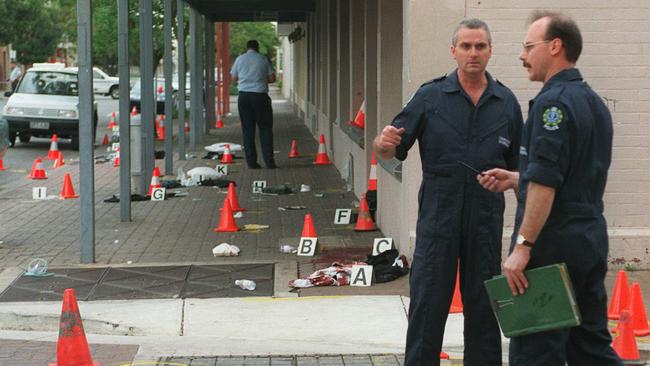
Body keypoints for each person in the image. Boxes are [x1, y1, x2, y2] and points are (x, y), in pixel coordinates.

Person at [373, 19, 523, 366]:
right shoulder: (430, 96)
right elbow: (390, 151)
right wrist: (381, 144)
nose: (473, 53)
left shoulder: (506, 103)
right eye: (466, 46)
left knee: (484, 308)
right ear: (453, 50)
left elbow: (521, 171)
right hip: (439, 216)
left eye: (480, 46)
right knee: (428, 303)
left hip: (485, 218)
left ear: (490, 51)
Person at [477, 11, 622, 365]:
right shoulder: (594, 103)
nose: (522, 55)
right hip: (588, 238)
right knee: (590, 347)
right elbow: (572, 173)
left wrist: (523, 248)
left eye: (528, 46)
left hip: (552, 243)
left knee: (536, 350)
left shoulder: (551, 105)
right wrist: (517, 178)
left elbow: (546, 183)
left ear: (555, 46)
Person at [230, 40, 277, 169]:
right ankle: (269, 161)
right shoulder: (263, 59)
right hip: (260, 96)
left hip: (244, 96)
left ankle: (251, 162)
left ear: (247, 47)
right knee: (265, 128)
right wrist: (261, 79)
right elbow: (272, 79)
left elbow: (233, 79)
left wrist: (245, 78)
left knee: (247, 130)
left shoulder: (239, 59)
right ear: (258, 47)